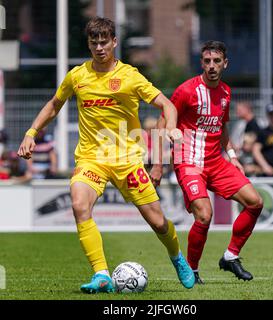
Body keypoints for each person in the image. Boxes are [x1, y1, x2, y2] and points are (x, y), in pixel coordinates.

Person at [18, 17, 194, 294]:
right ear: (88, 44)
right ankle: (101, 274)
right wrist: (31, 132)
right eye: (93, 42)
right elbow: (54, 104)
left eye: (104, 42)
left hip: (127, 159)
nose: (99, 47)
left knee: (158, 221)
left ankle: (177, 258)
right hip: (91, 159)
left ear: (114, 42)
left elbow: (166, 104)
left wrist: (170, 129)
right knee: (79, 205)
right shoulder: (77, 76)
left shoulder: (130, 76)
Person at [151, 40, 263, 284]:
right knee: (204, 214)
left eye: (217, 61)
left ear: (225, 64)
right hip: (188, 161)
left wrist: (232, 157)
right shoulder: (186, 91)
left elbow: (222, 127)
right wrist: (157, 164)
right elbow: (161, 124)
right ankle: (192, 270)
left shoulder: (225, 92)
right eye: (207, 61)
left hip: (216, 161)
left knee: (255, 202)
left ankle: (231, 256)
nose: (211, 66)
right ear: (201, 63)